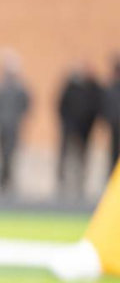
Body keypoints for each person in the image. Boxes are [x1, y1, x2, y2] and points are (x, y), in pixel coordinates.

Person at [57, 62, 102, 201]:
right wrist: (67, 124)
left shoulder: (92, 89)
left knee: (82, 157)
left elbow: (97, 107)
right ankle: (63, 183)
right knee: (67, 155)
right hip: (70, 129)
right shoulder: (71, 88)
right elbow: (62, 106)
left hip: (85, 130)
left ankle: (80, 183)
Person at [0, 51, 30, 196]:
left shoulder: (19, 88)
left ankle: (10, 181)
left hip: (14, 126)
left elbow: (26, 104)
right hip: (1, 126)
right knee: (0, 155)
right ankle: (0, 181)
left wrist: (19, 119)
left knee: (11, 155)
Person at [101, 58, 120, 175]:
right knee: (113, 152)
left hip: (114, 121)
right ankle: (113, 175)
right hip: (114, 123)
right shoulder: (110, 88)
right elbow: (104, 104)